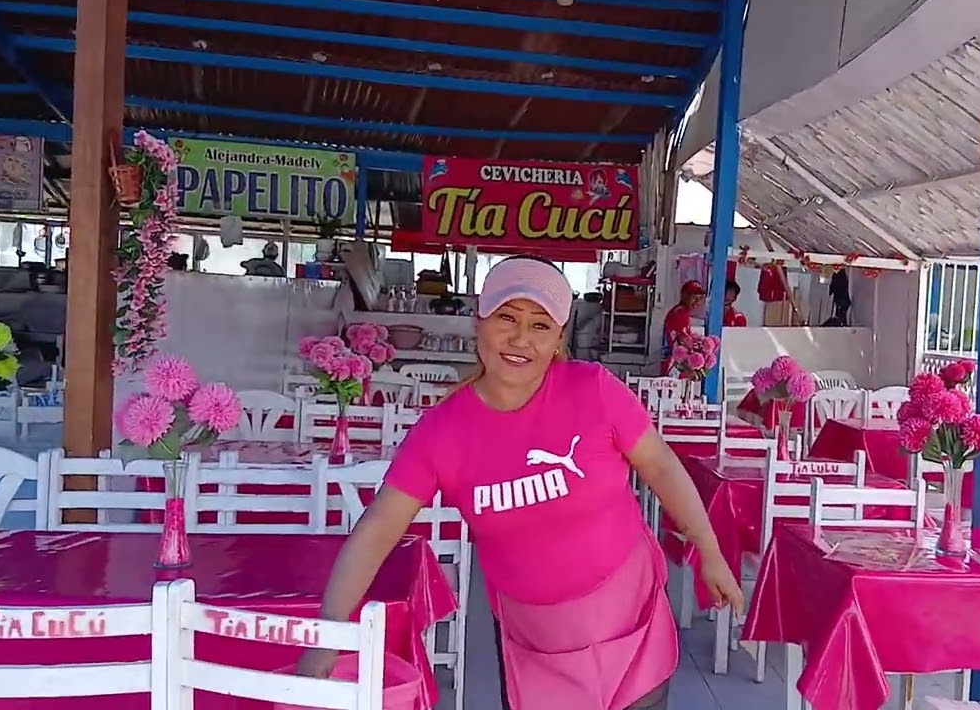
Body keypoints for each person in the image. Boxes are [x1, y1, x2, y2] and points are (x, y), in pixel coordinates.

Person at [297, 255, 742, 710]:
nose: (520, 338)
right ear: (479, 321)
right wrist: (331, 627)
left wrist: (708, 551)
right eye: (506, 317)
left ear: (557, 340)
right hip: (535, 646)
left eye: (540, 326)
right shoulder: (442, 432)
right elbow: (375, 533)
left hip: (631, 630)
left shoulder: (594, 390)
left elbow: (662, 467)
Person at [661, 280, 705, 375]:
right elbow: (682, 342)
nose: (697, 301)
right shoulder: (680, 313)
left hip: (674, 361)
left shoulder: (681, 311)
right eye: (694, 297)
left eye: (700, 298)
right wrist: (689, 368)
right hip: (674, 363)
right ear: (684, 296)